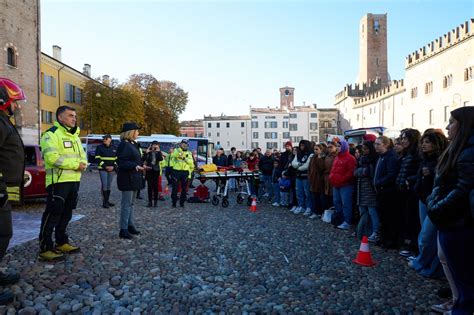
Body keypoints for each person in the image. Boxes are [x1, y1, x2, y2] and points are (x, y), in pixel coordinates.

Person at [427, 106, 474, 314]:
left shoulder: (467, 151)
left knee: (463, 273)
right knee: (448, 260)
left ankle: (461, 307)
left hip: (458, 220)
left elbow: (462, 188)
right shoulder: (458, 149)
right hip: (450, 218)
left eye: (452, 122)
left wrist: (437, 206)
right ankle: (457, 302)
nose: (447, 127)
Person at [39, 106, 87, 261]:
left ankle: (61, 242)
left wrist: (82, 164)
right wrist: (76, 164)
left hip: (74, 181)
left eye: (75, 116)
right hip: (58, 182)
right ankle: (46, 247)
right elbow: (52, 158)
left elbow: (83, 157)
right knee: (53, 213)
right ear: (60, 117)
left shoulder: (75, 136)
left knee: (67, 213)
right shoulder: (51, 134)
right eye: (70, 115)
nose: (74, 118)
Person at [0, 78, 26, 304]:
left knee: (3, 233)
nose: (17, 106)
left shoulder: (3, 120)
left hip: (3, 188)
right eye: (14, 101)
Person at [410, 130, 447, 278]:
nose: (424, 145)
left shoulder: (442, 159)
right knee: (426, 236)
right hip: (423, 199)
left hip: (435, 201)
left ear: (436, 144)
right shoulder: (425, 159)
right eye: (423, 142)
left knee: (427, 236)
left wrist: (431, 173)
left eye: (427, 142)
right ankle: (427, 264)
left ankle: (425, 264)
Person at [396, 128, 422, 257]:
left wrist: (408, 180)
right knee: (407, 219)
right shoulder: (407, 153)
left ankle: (414, 248)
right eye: (403, 138)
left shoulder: (417, 154)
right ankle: (410, 245)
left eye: (405, 138)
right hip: (404, 190)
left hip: (412, 191)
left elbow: (418, 172)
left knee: (413, 220)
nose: (403, 141)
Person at [116, 122, 144, 239]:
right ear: (131, 132)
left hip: (134, 177)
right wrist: (134, 166)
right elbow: (121, 162)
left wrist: (141, 165)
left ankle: (130, 225)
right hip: (127, 178)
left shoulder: (132, 144)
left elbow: (135, 160)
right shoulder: (124, 145)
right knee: (126, 205)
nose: (138, 132)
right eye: (136, 130)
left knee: (131, 204)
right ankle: (123, 229)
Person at [373, 136, 401, 249]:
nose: (376, 146)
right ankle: (384, 238)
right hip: (381, 191)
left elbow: (392, 175)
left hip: (388, 192)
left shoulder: (390, 156)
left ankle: (390, 240)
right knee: (383, 217)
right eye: (375, 144)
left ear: (385, 145)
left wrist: (379, 183)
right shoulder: (381, 157)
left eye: (378, 144)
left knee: (389, 217)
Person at [329, 140, 357, 229]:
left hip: (346, 185)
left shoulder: (350, 158)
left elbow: (351, 172)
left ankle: (347, 221)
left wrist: (341, 179)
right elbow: (333, 170)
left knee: (346, 204)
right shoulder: (337, 157)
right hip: (336, 184)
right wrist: (331, 177)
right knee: (337, 202)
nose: (337, 147)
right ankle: (339, 219)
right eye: (337, 146)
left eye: (339, 146)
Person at [354, 141, 379, 241]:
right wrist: (360, 172)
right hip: (362, 188)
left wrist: (360, 172)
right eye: (363, 149)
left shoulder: (374, 159)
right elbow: (356, 172)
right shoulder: (361, 159)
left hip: (370, 188)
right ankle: (363, 230)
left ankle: (375, 231)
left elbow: (366, 172)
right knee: (362, 211)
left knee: (372, 211)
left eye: (366, 149)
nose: (364, 151)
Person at [291, 140, 314, 215]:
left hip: (306, 177)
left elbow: (307, 165)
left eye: (303, 145)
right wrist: (299, 164)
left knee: (307, 193)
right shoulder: (298, 153)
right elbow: (293, 163)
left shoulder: (311, 154)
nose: (301, 147)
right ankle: (301, 206)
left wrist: (298, 167)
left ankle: (309, 207)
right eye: (300, 145)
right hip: (298, 176)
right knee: (299, 192)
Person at [94, 134, 117, 208]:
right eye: (103, 138)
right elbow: (97, 158)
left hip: (112, 169)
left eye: (106, 138)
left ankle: (107, 201)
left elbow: (117, 159)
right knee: (104, 185)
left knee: (109, 185)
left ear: (110, 139)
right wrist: (105, 166)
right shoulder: (99, 147)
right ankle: (104, 202)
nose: (104, 139)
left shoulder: (115, 148)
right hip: (103, 169)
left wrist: (113, 167)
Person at [170, 139, 194, 208]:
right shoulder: (176, 150)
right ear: (180, 144)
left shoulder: (189, 153)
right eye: (183, 144)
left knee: (184, 189)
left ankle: (182, 202)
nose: (184, 145)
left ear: (187, 145)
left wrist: (184, 158)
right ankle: (174, 202)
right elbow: (173, 156)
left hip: (185, 172)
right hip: (176, 171)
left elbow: (191, 163)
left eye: (186, 144)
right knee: (175, 188)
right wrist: (179, 152)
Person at [143, 141, 163, 207]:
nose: (154, 147)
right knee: (149, 186)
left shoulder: (158, 152)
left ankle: (155, 202)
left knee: (155, 187)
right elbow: (143, 159)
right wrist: (146, 152)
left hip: (156, 170)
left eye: (156, 145)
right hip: (149, 170)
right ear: (151, 145)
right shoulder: (149, 152)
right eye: (153, 145)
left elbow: (161, 159)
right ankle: (150, 202)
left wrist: (159, 151)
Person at [308, 144, 325, 218]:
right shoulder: (312, 158)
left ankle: (319, 212)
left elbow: (322, 168)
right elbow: (309, 168)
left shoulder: (322, 157)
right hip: (313, 179)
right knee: (314, 197)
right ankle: (315, 211)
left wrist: (319, 159)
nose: (315, 151)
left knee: (319, 197)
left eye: (317, 149)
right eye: (314, 149)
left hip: (319, 180)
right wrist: (309, 176)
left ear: (321, 150)